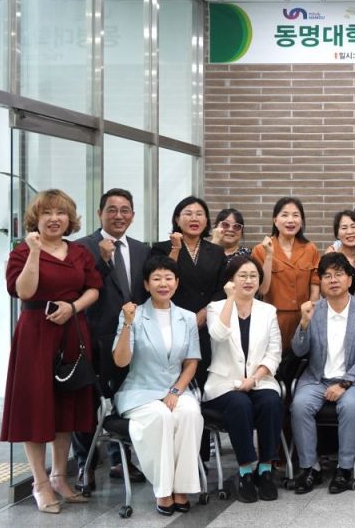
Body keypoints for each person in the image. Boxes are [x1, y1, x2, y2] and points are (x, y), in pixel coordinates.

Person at [3, 189, 101, 514]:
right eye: (47, 213)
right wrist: (34, 252)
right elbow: (24, 290)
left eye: (60, 213)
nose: (54, 218)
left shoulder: (79, 252)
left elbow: (93, 289)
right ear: (37, 218)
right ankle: (40, 483)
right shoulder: (22, 251)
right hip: (36, 333)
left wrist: (73, 308)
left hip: (71, 330)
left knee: (66, 405)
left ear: (70, 218)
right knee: (35, 406)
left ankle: (60, 476)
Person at [112, 256, 203, 516]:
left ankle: (182, 488)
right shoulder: (134, 315)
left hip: (176, 389)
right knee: (161, 416)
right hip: (140, 391)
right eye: (157, 278)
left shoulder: (187, 317)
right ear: (146, 284)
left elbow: (191, 362)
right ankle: (163, 490)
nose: (163, 284)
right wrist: (127, 323)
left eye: (168, 278)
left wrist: (175, 391)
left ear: (177, 282)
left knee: (190, 413)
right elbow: (121, 361)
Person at [73, 188, 149, 489]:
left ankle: (121, 460)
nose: (119, 215)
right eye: (112, 210)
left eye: (125, 210)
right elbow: (80, 287)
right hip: (94, 336)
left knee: (123, 398)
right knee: (87, 403)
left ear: (133, 215)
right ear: (100, 213)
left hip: (129, 339)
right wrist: (103, 261)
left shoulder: (141, 249)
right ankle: (86, 464)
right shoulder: (82, 247)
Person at [290, 252, 355, 495]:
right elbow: (299, 351)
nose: (333, 280)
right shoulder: (313, 310)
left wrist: (344, 384)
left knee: (350, 406)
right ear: (321, 282)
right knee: (299, 406)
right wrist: (304, 324)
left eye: (339, 274)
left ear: (349, 279)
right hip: (316, 378)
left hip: (354, 380)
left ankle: (344, 469)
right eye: (327, 276)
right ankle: (310, 468)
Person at [202, 255, 283, 503]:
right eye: (243, 276)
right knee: (240, 404)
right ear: (231, 280)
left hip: (259, 379)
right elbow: (218, 335)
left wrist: (255, 378)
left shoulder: (268, 311)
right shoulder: (216, 308)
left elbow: (274, 352)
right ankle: (246, 470)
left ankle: (265, 469)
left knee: (271, 401)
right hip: (223, 383)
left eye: (253, 276)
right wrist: (229, 299)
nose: (248, 281)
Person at [151, 196, 226, 386]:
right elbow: (162, 280)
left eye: (199, 214)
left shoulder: (216, 251)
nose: (194, 218)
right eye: (188, 214)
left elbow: (222, 288)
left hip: (205, 322)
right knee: (172, 374)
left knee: (203, 373)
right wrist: (176, 249)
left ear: (206, 221)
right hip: (171, 320)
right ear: (177, 219)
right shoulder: (161, 248)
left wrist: (206, 312)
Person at [252, 197, 320, 356]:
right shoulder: (260, 250)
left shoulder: (310, 249)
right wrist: (269, 256)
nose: (290, 220)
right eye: (284, 215)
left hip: (303, 318)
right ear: (275, 220)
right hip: (274, 318)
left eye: (296, 215)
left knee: (302, 360)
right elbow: (262, 290)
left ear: (302, 221)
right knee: (273, 360)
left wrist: (310, 315)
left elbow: (315, 287)